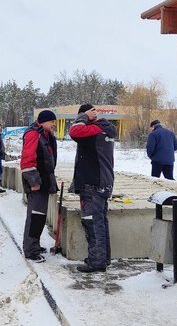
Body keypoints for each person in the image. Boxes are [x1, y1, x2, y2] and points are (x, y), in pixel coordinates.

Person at [69, 104, 117, 273]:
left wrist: (82, 116)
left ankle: (97, 261)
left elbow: (74, 131)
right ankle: (104, 258)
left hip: (93, 183)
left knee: (92, 222)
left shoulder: (93, 130)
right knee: (101, 221)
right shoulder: (106, 129)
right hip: (103, 181)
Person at [21, 110, 58, 263]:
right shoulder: (33, 134)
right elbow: (27, 160)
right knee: (35, 217)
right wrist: (34, 182)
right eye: (52, 122)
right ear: (43, 122)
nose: (54, 124)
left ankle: (34, 244)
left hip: (44, 182)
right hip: (37, 183)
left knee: (39, 217)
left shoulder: (45, 135)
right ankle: (30, 250)